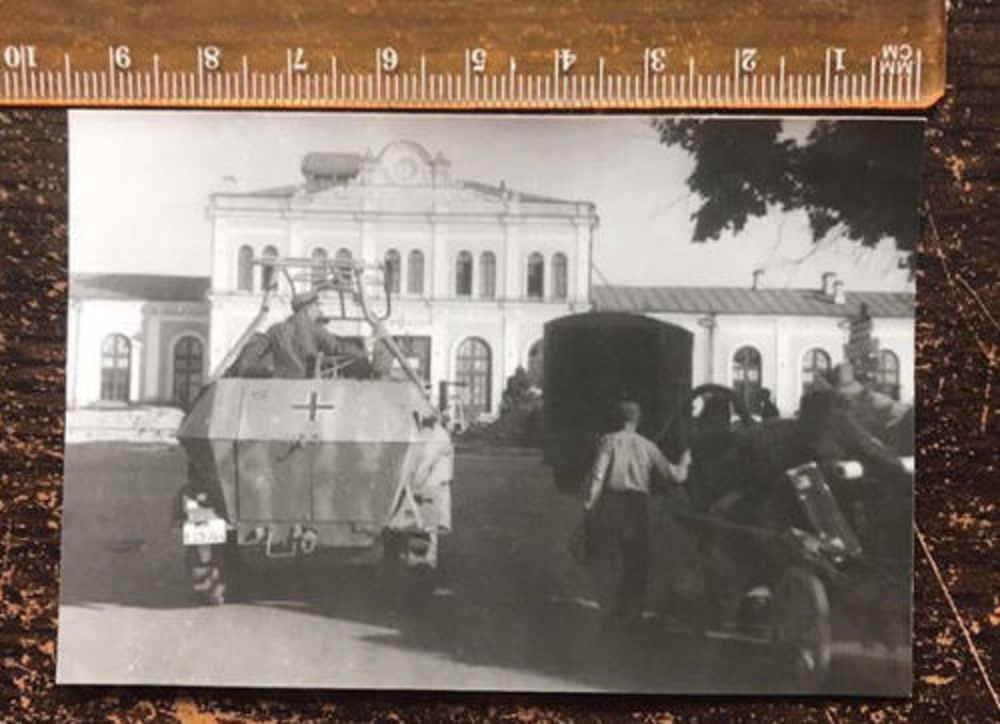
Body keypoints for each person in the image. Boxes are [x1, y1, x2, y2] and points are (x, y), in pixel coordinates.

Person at [583, 400, 691, 622]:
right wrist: (685, 461)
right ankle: (634, 611)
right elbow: (675, 475)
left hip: (613, 503)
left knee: (611, 556)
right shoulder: (648, 446)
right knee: (637, 557)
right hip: (638, 505)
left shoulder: (608, 441)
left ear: (617, 418)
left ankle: (611, 608)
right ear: (638, 420)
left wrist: (590, 506)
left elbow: (598, 475)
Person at [229, 290, 370, 379]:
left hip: (281, 386)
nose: (319, 311)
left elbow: (252, 356)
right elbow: (337, 348)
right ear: (307, 308)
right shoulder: (315, 329)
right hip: (307, 384)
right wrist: (363, 352)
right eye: (316, 306)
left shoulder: (275, 330)